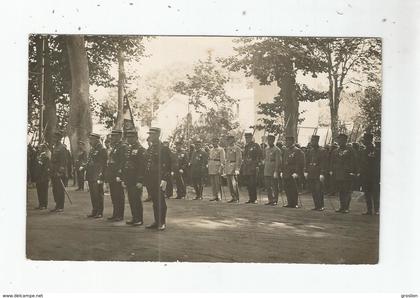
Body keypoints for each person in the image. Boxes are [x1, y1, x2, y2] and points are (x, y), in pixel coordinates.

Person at [144, 127, 172, 231]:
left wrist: (164, 179)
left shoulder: (163, 148)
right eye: (149, 134)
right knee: (155, 201)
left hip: (159, 178)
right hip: (151, 178)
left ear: (157, 135)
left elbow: (167, 164)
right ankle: (156, 221)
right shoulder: (151, 148)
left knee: (160, 201)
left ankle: (162, 222)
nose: (150, 136)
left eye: (152, 134)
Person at [122, 130, 146, 225]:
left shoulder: (141, 150)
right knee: (131, 199)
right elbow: (127, 165)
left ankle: (139, 219)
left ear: (136, 138)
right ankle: (134, 217)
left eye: (131, 137)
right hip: (130, 179)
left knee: (136, 200)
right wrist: (125, 179)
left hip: (136, 180)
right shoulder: (130, 149)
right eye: (128, 137)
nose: (129, 139)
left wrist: (140, 180)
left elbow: (141, 167)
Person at [83, 133, 108, 218]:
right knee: (93, 195)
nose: (90, 141)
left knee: (98, 194)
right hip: (91, 175)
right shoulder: (93, 149)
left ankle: (99, 212)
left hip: (97, 176)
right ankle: (95, 210)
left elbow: (103, 164)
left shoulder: (102, 149)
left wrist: (101, 176)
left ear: (97, 140)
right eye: (90, 139)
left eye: (91, 139)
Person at [330, 133, 356, 213]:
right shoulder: (335, 151)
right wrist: (332, 170)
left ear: (345, 140)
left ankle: (346, 207)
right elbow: (332, 162)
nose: (339, 141)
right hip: (338, 174)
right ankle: (342, 207)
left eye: (341, 140)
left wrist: (352, 171)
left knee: (347, 191)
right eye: (339, 140)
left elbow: (354, 162)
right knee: (341, 191)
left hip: (347, 174)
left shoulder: (350, 150)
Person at [106, 129, 127, 222]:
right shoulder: (115, 147)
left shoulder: (122, 146)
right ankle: (115, 213)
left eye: (114, 136)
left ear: (119, 136)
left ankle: (120, 215)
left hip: (117, 174)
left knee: (119, 195)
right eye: (112, 136)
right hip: (112, 174)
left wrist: (119, 174)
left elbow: (123, 162)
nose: (112, 138)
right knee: (114, 195)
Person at [358, 132, 380, 215]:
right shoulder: (364, 150)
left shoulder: (376, 150)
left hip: (374, 175)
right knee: (367, 193)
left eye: (365, 139)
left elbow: (377, 164)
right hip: (365, 175)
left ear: (370, 140)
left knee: (375, 193)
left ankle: (376, 210)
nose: (363, 141)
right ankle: (369, 210)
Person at [304, 135, 328, 211]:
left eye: (314, 140)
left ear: (317, 141)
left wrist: (322, 173)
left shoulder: (322, 151)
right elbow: (307, 162)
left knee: (319, 190)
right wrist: (306, 171)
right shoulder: (310, 151)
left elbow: (323, 163)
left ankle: (321, 206)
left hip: (318, 173)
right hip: (311, 173)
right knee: (313, 190)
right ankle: (316, 205)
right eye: (312, 140)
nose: (312, 142)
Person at [281, 135, 305, 208]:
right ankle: (289, 202)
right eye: (286, 141)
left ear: (292, 141)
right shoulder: (286, 150)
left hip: (293, 172)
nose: (286, 142)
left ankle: (295, 203)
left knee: (294, 188)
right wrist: (282, 171)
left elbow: (299, 163)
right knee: (287, 188)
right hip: (286, 172)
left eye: (288, 141)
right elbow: (284, 162)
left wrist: (297, 172)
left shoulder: (297, 150)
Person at [242, 130, 263, 204]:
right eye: (246, 138)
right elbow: (244, 156)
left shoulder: (256, 145)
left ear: (252, 138)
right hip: (247, 167)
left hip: (253, 166)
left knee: (253, 183)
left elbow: (260, 155)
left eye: (248, 137)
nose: (247, 139)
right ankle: (250, 198)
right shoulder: (246, 146)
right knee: (248, 184)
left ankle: (254, 199)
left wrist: (257, 164)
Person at [50, 131, 68, 212]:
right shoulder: (55, 147)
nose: (53, 139)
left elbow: (63, 161)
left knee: (60, 189)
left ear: (59, 138)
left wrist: (60, 172)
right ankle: (57, 205)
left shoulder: (62, 148)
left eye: (55, 137)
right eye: (53, 137)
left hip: (59, 171)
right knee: (55, 189)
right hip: (53, 171)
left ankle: (60, 206)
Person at [263, 134, 281, 206]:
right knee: (268, 186)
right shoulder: (266, 149)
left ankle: (275, 200)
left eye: (271, 140)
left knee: (274, 186)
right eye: (268, 140)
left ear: (273, 140)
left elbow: (278, 161)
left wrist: (276, 171)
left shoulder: (277, 150)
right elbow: (266, 159)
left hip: (273, 169)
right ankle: (270, 199)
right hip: (267, 169)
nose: (269, 141)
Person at [224, 134, 242, 203]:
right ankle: (233, 196)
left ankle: (236, 197)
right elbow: (226, 159)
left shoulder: (237, 148)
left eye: (230, 139)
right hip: (228, 166)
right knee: (229, 183)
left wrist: (237, 168)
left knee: (234, 183)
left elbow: (239, 159)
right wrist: (225, 169)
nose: (229, 141)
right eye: (228, 140)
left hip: (234, 165)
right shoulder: (228, 148)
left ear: (233, 140)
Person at [32, 143, 51, 210]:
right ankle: (40, 204)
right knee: (39, 191)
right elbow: (36, 167)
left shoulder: (46, 157)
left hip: (44, 177)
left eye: (40, 148)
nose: (39, 149)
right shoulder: (38, 156)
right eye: (39, 148)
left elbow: (46, 169)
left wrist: (43, 177)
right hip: (38, 177)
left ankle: (44, 205)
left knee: (44, 191)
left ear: (44, 148)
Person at [208, 137, 225, 201]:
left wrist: (221, 168)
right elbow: (209, 158)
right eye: (213, 142)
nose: (214, 143)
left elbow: (222, 160)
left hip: (217, 166)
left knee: (218, 182)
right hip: (211, 166)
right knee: (213, 183)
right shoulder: (211, 150)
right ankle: (214, 195)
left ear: (218, 142)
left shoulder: (221, 149)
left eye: (216, 142)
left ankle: (219, 195)